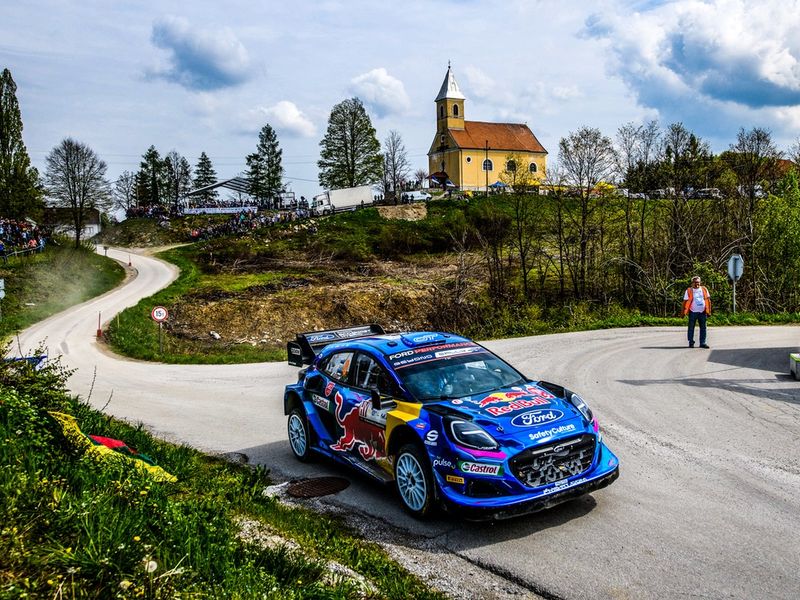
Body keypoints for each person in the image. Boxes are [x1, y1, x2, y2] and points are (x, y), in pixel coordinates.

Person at [682, 276, 711, 348]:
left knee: (703, 328)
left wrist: (709, 311)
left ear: (700, 282)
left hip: (702, 312)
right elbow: (685, 302)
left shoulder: (704, 289)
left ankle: (702, 343)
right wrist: (682, 313)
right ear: (692, 283)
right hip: (693, 312)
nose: (696, 284)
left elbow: (708, 300)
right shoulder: (689, 291)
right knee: (691, 328)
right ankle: (691, 342)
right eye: (695, 282)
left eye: (698, 282)